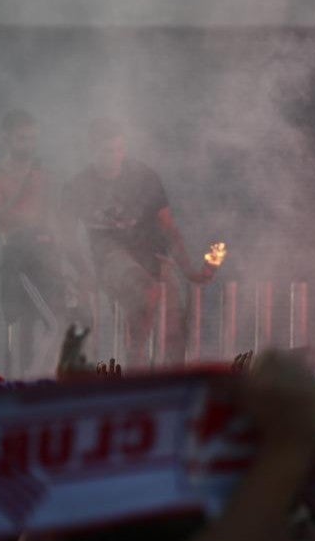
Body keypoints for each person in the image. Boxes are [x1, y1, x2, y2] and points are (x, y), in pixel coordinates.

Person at [61, 119, 213, 365]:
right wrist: (83, 272)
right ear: (92, 149)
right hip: (110, 256)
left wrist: (189, 270)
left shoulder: (144, 177)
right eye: (107, 150)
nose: (114, 157)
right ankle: (135, 354)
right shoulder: (79, 185)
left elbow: (169, 227)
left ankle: (172, 379)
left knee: (174, 321)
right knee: (146, 290)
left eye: (119, 149)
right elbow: (65, 235)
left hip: (151, 253)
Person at [0, 110, 66, 374]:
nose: (29, 145)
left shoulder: (45, 176)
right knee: (24, 325)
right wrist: (20, 190)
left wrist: (63, 259)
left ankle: (41, 380)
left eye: (33, 139)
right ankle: (23, 382)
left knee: (59, 320)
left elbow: (53, 220)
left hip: (45, 255)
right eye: (22, 139)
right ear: (6, 140)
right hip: (16, 257)